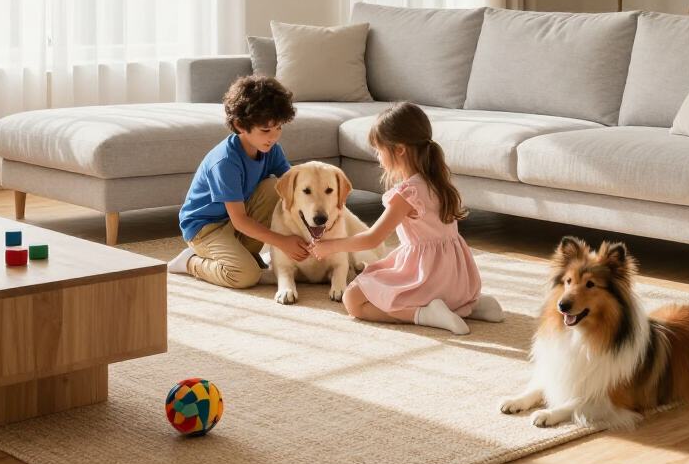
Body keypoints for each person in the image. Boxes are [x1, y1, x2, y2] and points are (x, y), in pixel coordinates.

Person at [311, 102, 502, 335]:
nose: (379, 157)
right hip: (458, 280)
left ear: (399, 149)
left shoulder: (407, 193)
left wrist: (330, 246)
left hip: (428, 277)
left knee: (354, 299)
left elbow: (373, 238)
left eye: (380, 150)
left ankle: (425, 314)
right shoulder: (439, 181)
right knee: (379, 276)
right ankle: (474, 304)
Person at [172, 75, 309, 288]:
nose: (273, 137)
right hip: (206, 228)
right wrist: (282, 242)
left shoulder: (271, 149)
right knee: (245, 276)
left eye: (279, 128)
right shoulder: (225, 161)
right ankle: (190, 261)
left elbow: (293, 188)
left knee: (278, 187)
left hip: (237, 219)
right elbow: (240, 220)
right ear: (240, 125)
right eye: (265, 130)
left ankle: (241, 252)